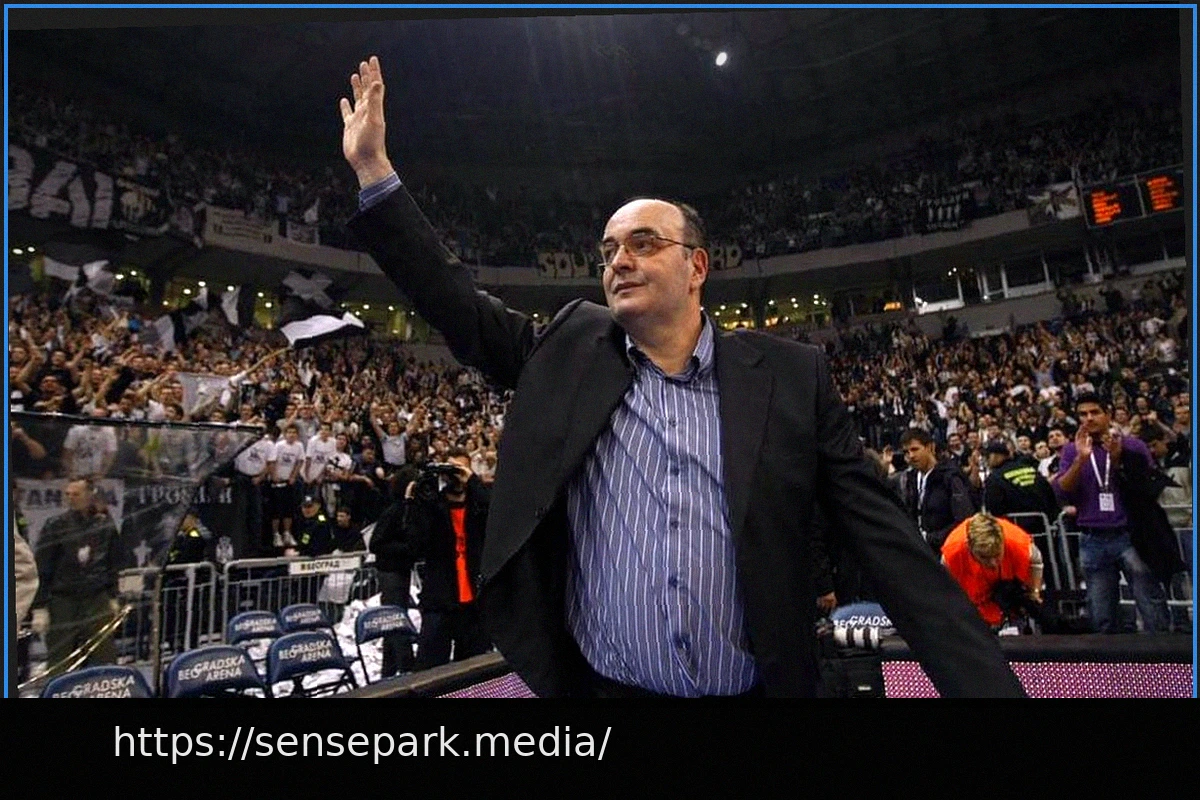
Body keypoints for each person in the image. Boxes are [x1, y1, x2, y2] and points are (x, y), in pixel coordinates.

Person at [339, 55, 1023, 698]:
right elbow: (457, 305)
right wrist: (374, 171)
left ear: (697, 267)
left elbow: (894, 554)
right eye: (609, 249)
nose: (619, 260)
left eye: (644, 243)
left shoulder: (791, 377)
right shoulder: (570, 351)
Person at [1051, 393, 1170, 633]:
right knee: (1100, 612)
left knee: (1150, 604)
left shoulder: (1132, 445)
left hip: (1131, 534)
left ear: (1108, 414)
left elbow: (1148, 488)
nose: (1089, 418)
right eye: (1083, 414)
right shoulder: (1072, 450)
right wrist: (1081, 459)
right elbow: (1062, 490)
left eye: (1094, 412)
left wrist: (1118, 461)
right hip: (1092, 536)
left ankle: (1162, 653)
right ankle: (1107, 657)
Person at [403, 449, 491, 670]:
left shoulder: (478, 505)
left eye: (460, 470)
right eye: (451, 470)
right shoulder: (433, 505)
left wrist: (473, 482)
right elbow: (416, 544)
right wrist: (413, 504)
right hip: (440, 600)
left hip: (474, 602)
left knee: (475, 671)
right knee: (430, 670)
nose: (456, 477)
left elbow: (496, 514)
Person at [29, 478, 122, 668]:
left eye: (76, 494)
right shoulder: (56, 525)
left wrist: (113, 596)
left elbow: (113, 562)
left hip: (97, 597)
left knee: (103, 653)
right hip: (63, 599)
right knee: (60, 658)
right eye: (68, 494)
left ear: (90, 495)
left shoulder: (104, 524)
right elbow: (43, 566)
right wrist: (39, 607)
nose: (71, 498)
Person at [941, 513, 1044, 630]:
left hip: (1009, 588)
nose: (993, 563)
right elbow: (945, 591)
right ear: (970, 547)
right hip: (973, 601)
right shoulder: (952, 554)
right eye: (985, 557)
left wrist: (1034, 591)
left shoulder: (1017, 542)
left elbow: (1036, 562)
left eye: (997, 555)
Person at [892, 429, 977, 555]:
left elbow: (964, 519)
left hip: (948, 550)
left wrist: (931, 538)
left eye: (915, 449)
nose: (911, 456)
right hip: (922, 551)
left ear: (930, 447)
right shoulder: (911, 479)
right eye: (906, 452)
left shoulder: (950, 477)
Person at [982, 439, 1059, 525]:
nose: (986, 461)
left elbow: (994, 509)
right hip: (1045, 525)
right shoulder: (1030, 469)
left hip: (1016, 527)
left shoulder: (994, 477)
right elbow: (1050, 495)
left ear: (994, 456)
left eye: (987, 457)